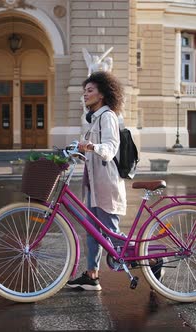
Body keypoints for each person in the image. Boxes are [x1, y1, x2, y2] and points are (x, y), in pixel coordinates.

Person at [66, 71, 127, 291]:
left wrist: (91, 146)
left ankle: (151, 259)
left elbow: (110, 149)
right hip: (93, 182)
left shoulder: (107, 116)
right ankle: (92, 275)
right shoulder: (93, 119)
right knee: (93, 231)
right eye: (85, 91)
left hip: (106, 182)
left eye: (90, 90)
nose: (85, 94)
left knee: (111, 232)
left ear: (102, 94)